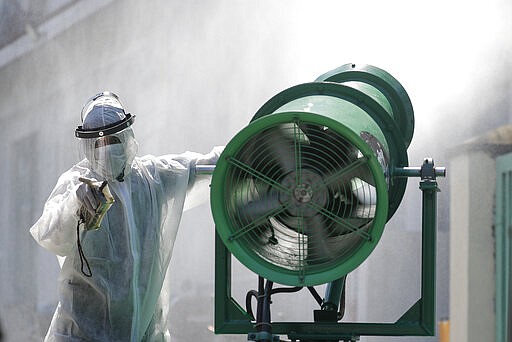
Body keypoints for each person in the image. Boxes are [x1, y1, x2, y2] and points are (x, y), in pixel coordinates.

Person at [30, 92, 223, 341]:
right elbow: (50, 235)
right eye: (98, 143)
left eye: (113, 139)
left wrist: (256, 147)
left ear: (126, 136)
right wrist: (74, 204)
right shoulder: (77, 185)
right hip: (82, 335)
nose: (106, 149)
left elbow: (209, 166)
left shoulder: (152, 179)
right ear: (87, 146)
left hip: (144, 334)